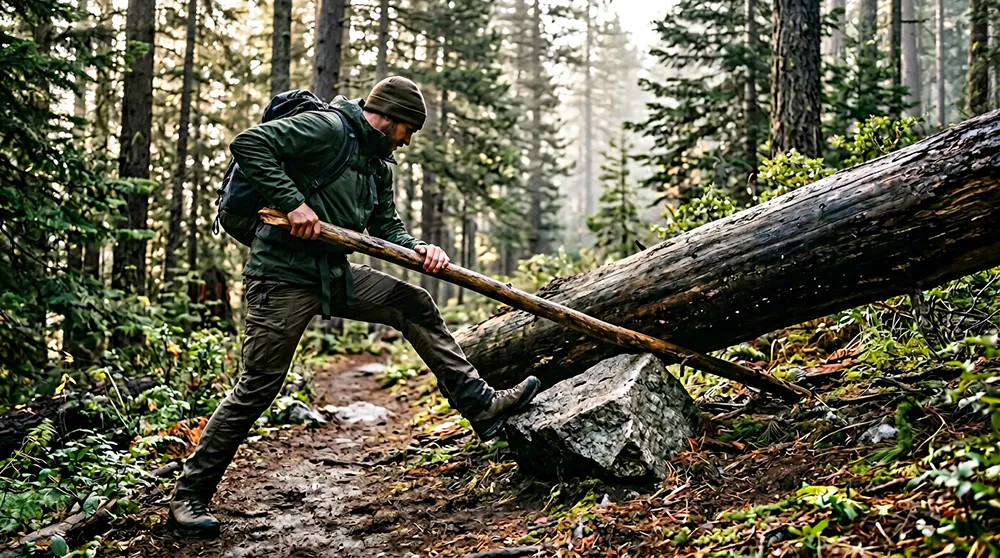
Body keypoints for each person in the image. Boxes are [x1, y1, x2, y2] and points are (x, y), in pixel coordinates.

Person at [167, 76, 541, 539]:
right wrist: (294, 205)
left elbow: (386, 224)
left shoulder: (376, 164)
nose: (407, 142)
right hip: (281, 275)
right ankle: (188, 497)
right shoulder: (327, 129)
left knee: (412, 302)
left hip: (334, 274)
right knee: (258, 387)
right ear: (388, 118)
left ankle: (479, 403)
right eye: (408, 130)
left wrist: (420, 249)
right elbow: (249, 143)